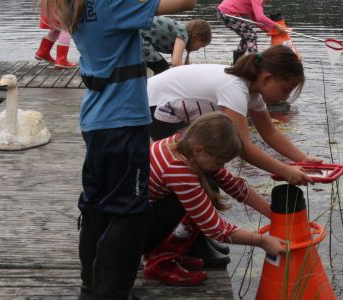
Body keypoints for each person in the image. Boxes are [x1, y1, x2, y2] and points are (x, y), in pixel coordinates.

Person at [40, 0, 198, 298]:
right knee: (130, 212)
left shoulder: (77, 5)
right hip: (123, 121)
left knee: (96, 207)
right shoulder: (112, 5)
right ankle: (111, 293)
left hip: (98, 120)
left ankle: (92, 288)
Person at [143, 112, 285, 286]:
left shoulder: (185, 142)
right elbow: (215, 229)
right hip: (134, 233)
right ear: (199, 150)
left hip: (143, 216)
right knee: (203, 194)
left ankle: (172, 253)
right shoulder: (178, 169)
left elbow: (233, 185)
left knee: (208, 181)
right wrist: (263, 241)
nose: (222, 167)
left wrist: (274, 215)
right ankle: (160, 262)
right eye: (220, 162)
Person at [147, 45, 319, 186]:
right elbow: (242, 146)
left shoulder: (253, 94)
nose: (285, 97)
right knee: (195, 176)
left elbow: (270, 134)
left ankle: (195, 221)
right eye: (285, 90)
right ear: (267, 78)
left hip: (173, 110)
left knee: (205, 175)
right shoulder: (235, 88)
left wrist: (302, 159)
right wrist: (285, 170)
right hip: (155, 105)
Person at [215, 0, 286, 63]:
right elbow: (260, 17)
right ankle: (254, 62)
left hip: (225, 12)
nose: (270, 1)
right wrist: (276, 25)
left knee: (247, 36)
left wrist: (264, 28)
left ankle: (237, 62)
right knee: (251, 36)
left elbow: (255, 17)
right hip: (227, 13)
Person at [141, 17, 212, 75]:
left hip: (139, 32)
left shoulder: (180, 31)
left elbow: (174, 62)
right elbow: (176, 63)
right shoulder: (183, 35)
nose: (197, 49)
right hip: (140, 37)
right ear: (195, 37)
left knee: (159, 66)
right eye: (200, 46)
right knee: (163, 69)